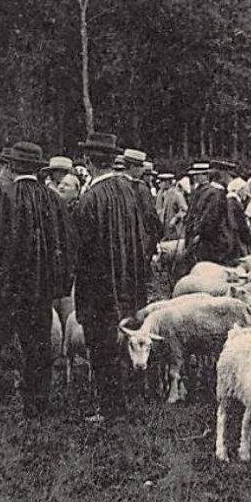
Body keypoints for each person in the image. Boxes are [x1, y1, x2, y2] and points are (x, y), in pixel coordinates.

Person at [0, 142, 74, 417]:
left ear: (11, 166)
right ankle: (36, 410)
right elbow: (69, 246)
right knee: (39, 350)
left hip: (3, 292)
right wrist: (56, 282)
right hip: (40, 292)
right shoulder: (54, 199)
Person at [72, 132, 158, 421]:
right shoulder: (128, 190)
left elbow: (82, 251)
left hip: (99, 288)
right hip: (127, 283)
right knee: (120, 341)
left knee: (100, 348)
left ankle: (110, 409)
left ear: (87, 161)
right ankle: (120, 400)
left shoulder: (91, 198)